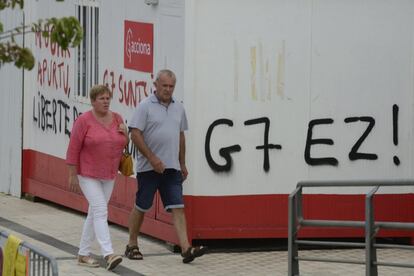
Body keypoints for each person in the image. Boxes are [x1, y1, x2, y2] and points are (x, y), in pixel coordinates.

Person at [126, 69, 206, 263]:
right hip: (149, 168)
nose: (168, 90)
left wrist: (182, 163)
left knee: (178, 206)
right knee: (142, 206)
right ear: (156, 85)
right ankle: (132, 244)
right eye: (164, 86)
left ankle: (186, 248)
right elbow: (135, 134)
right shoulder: (145, 106)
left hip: (172, 168)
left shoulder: (179, 107)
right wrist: (152, 158)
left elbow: (180, 136)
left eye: (171, 86)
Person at [66, 84, 126, 270]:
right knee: (100, 210)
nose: (106, 101)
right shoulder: (84, 120)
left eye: (108, 98)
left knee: (94, 213)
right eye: (102, 98)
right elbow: (73, 147)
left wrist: (127, 136)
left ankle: (83, 254)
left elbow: (123, 143)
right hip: (87, 172)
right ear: (93, 101)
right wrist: (72, 174)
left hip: (109, 173)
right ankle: (108, 254)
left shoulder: (117, 118)